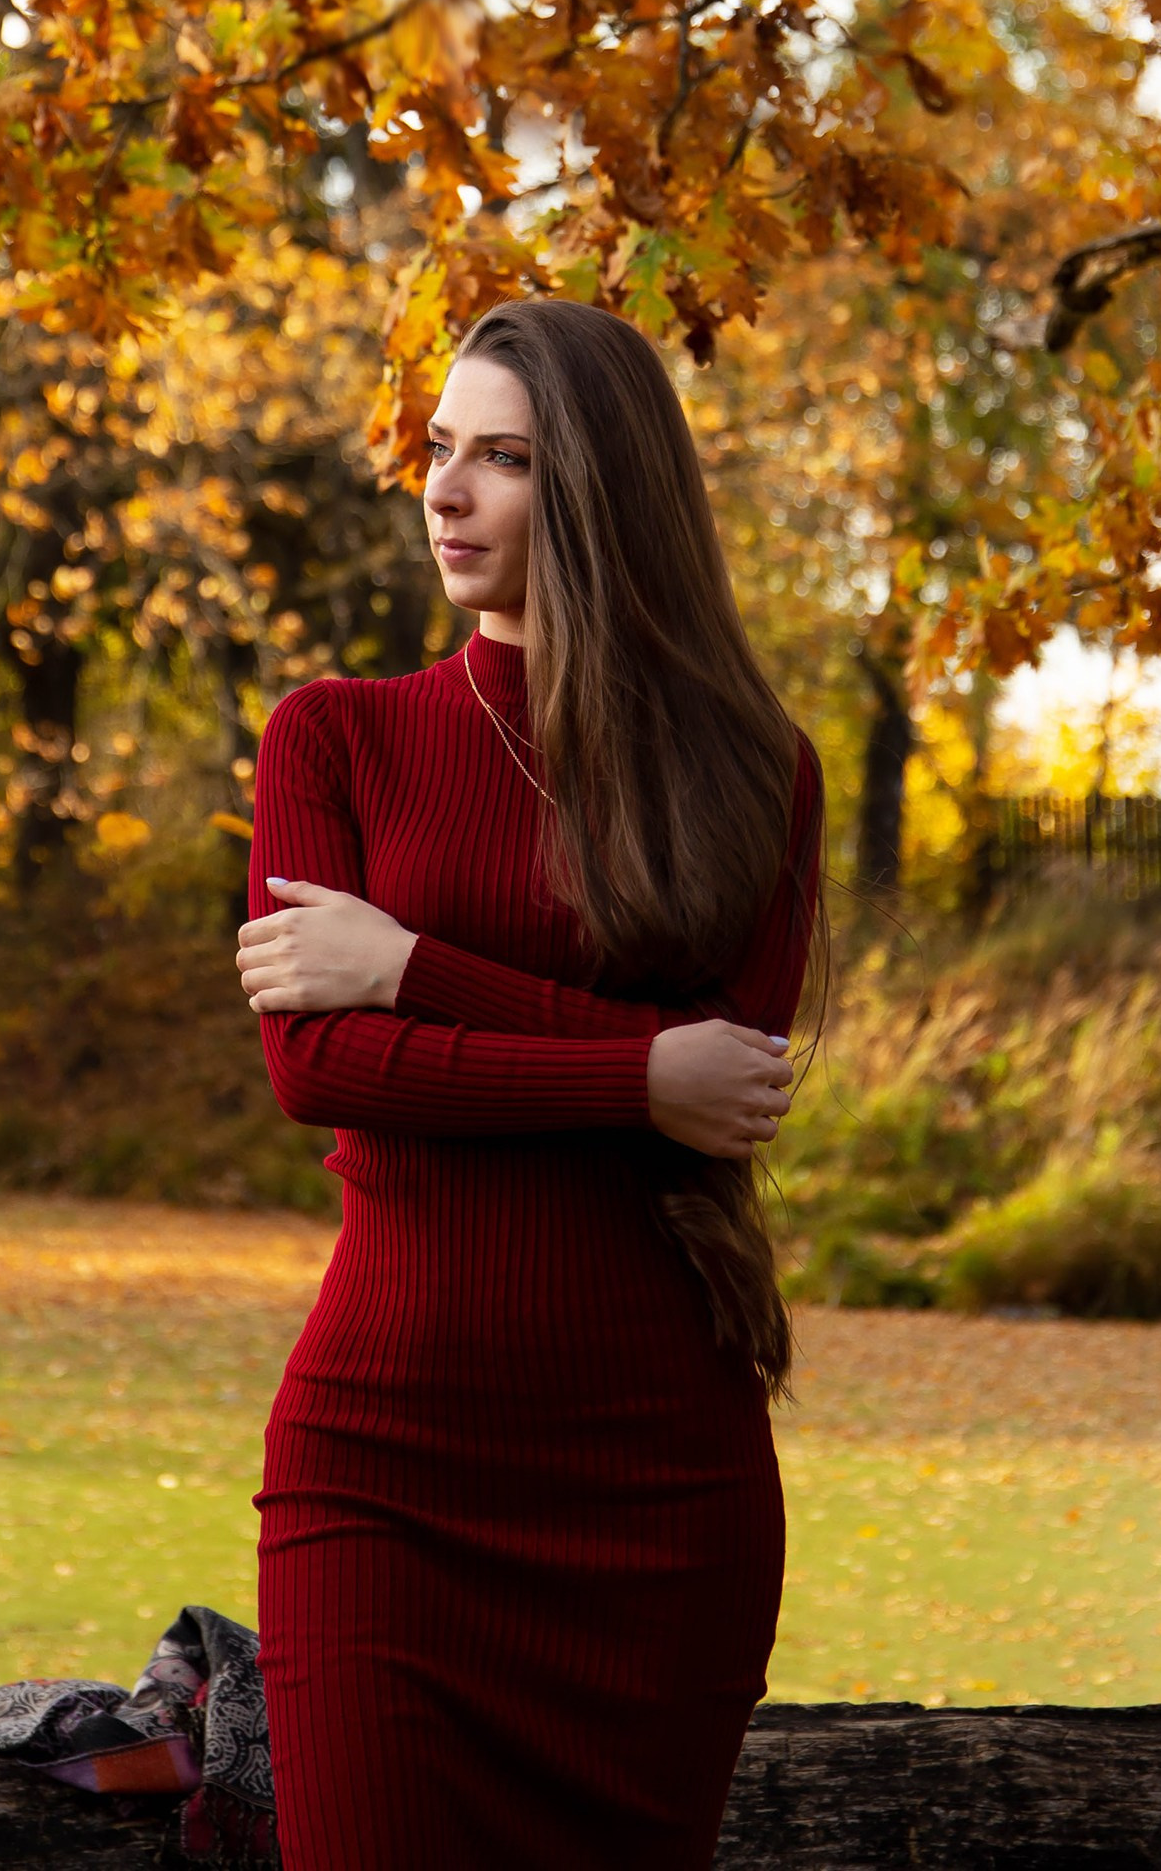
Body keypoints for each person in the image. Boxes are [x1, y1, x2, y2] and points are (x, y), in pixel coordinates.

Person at [234, 296, 824, 1871]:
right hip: (389, 1467)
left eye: (503, 457)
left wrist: (417, 968)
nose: (445, 490)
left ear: (602, 490)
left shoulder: (755, 768)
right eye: (440, 451)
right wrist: (635, 1070)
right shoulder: (336, 739)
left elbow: (732, 1081)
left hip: (657, 1487)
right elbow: (321, 1063)